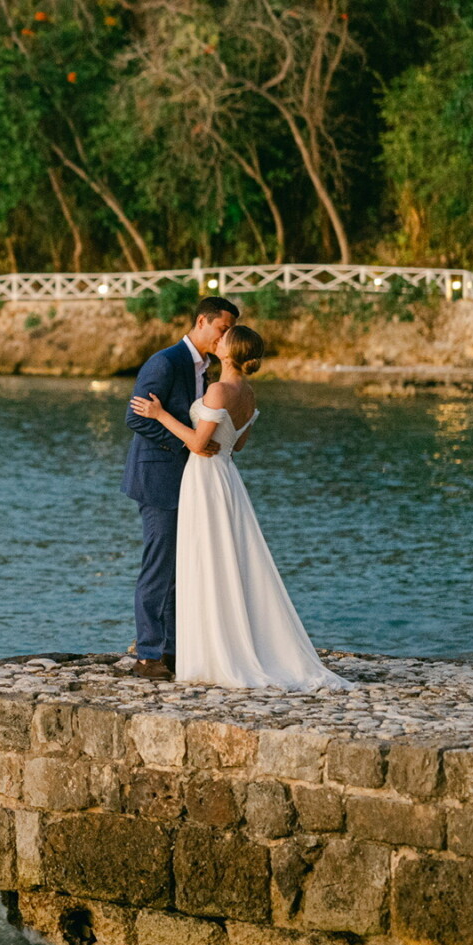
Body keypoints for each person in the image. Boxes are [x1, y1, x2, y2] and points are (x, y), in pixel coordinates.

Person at [130, 326, 350, 690]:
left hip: (204, 478)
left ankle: (206, 649)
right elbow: (239, 442)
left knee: (206, 560)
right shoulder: (247, 392)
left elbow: (200, 445)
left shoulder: (217, 389)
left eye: (225, 338)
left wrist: (159, 414)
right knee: (225, 559)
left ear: (230, 353)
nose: (219, 340)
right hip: (228, 478)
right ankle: (211, 644)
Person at [122, 296, 239, 681]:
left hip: (191, 481)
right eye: (223, 329)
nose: (226, 336)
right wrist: (188, 444)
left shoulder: (205, 370)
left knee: (179, 566)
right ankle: (148, 654)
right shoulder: (165, 361)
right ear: (202, 321)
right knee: (158, 566)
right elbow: (135, 417)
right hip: (158, 478)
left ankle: (171, 650)